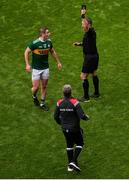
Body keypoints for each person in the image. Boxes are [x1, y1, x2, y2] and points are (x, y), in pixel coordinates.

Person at [24, 27, 62, 111]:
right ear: (43, 34)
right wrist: (27, 64)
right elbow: (26, 52)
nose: (49, 34)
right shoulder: (35, 43)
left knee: (44, 86)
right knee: (36, 87)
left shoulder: (49, 42)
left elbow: (52, 51)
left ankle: (42, 103)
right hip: (36, 69)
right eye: (47, 33)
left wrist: (58, 62)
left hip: (45, 68)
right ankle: (34, 96)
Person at [54, 84, 89, 172]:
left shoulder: (59, 103)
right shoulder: (75, 102)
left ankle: (70, 166)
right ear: (71, 92)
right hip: (75, 128)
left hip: (64, 128)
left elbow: (55, 116)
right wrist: (86, 117)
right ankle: (73, 161)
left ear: (63, 93)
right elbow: (82, 116)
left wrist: (61, 123)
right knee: (80, 143)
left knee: (69, 145)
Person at [73, 17, 100, 102]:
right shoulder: (91, 33)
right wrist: (79, 44)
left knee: (83, 76)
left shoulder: (90, 31)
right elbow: (88, 43)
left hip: (89, 58)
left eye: (83, 24)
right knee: (94, 73)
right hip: (95, 56)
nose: (82, 25)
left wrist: (83, 16)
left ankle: (86, 97)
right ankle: (96, 93)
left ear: (88, 25)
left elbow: (88, 29)